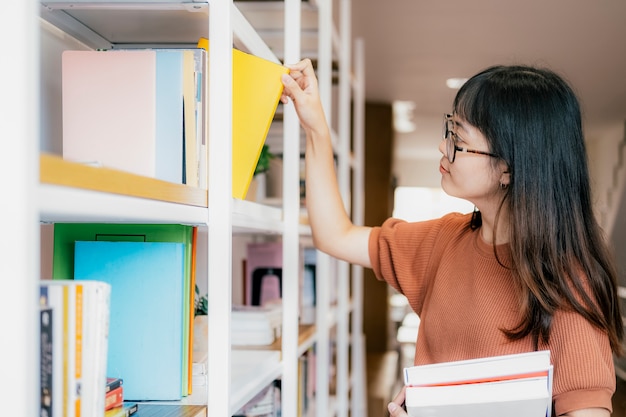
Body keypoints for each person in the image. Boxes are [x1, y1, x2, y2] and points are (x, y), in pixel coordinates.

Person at [280, 59, 623, 416]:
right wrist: (316, 127)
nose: (444, 148)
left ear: (508, 168)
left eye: (459, 139)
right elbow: (336, 235)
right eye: (450, 131)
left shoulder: (568, 281)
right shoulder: (444, 240)